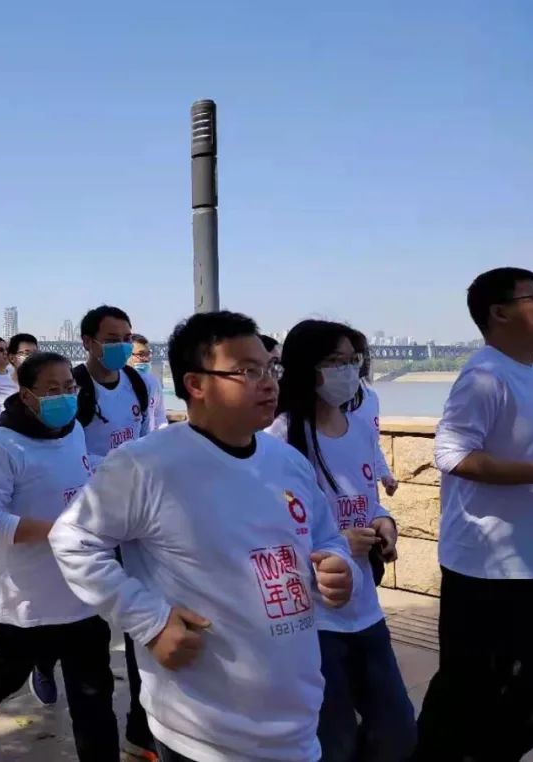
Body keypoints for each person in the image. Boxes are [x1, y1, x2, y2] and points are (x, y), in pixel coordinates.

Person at [50, 311, 358, 762]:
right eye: (247, 371)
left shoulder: (287, 462)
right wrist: (150, 621)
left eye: (270, 368)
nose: (269, 383)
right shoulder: (145, 466)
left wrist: (337, 565)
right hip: (204, 729)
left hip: (298, 718)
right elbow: (73, 539)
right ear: (195, 384)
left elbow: (326, 537)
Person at [0, 352, 119, 762]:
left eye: (70, 387)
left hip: (83, 593)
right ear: (27, 396)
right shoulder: (3, 445)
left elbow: (78, 469)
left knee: (95, 703)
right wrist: (56, 531)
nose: (65, 396)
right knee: (8, 673)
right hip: (29, 598)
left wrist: (119, 467)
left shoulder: (73, 429)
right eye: (53, 390)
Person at [266, 319, 415, 761]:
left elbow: (369, 501)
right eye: (335, 361)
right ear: (305, 367)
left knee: (397, 731)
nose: (347, 371)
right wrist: (334, 543)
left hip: (365, 609)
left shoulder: (360, 428)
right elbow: (267, 530)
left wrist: (384, 523)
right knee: (334, 741)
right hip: (314, 618)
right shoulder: (278, 438)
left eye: (353, 360)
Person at [414, 267, 533, 762]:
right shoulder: (485, 375)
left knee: (514, 695)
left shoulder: (525, 372)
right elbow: (453, 453)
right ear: (500, 312)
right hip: (486, 568)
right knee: (470, 689)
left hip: (524, 561)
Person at [60, 305, 152, 757]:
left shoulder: (139, 383)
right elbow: (66, 454)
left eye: (127, 337)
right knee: (90, 630)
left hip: (136, 518)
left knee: (141, 618)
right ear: (88, 342)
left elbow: (147, 439)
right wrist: (118, 467)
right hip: (90, 519)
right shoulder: (73, 389)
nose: (121, 346)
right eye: (112, 338)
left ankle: (140, 724)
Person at [346, 330, 396, 496]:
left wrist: (385, 475)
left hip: (365, 491)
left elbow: (372, 443)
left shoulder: (370, 398)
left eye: (359, 358)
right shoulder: (329, 403)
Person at [128, 334, 169, 432]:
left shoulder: (153, 382)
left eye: (148, 354)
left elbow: (160, 417)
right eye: (141, 354)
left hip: (148, 439)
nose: (146, 359)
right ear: (127, 355)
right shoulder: (118, 383)